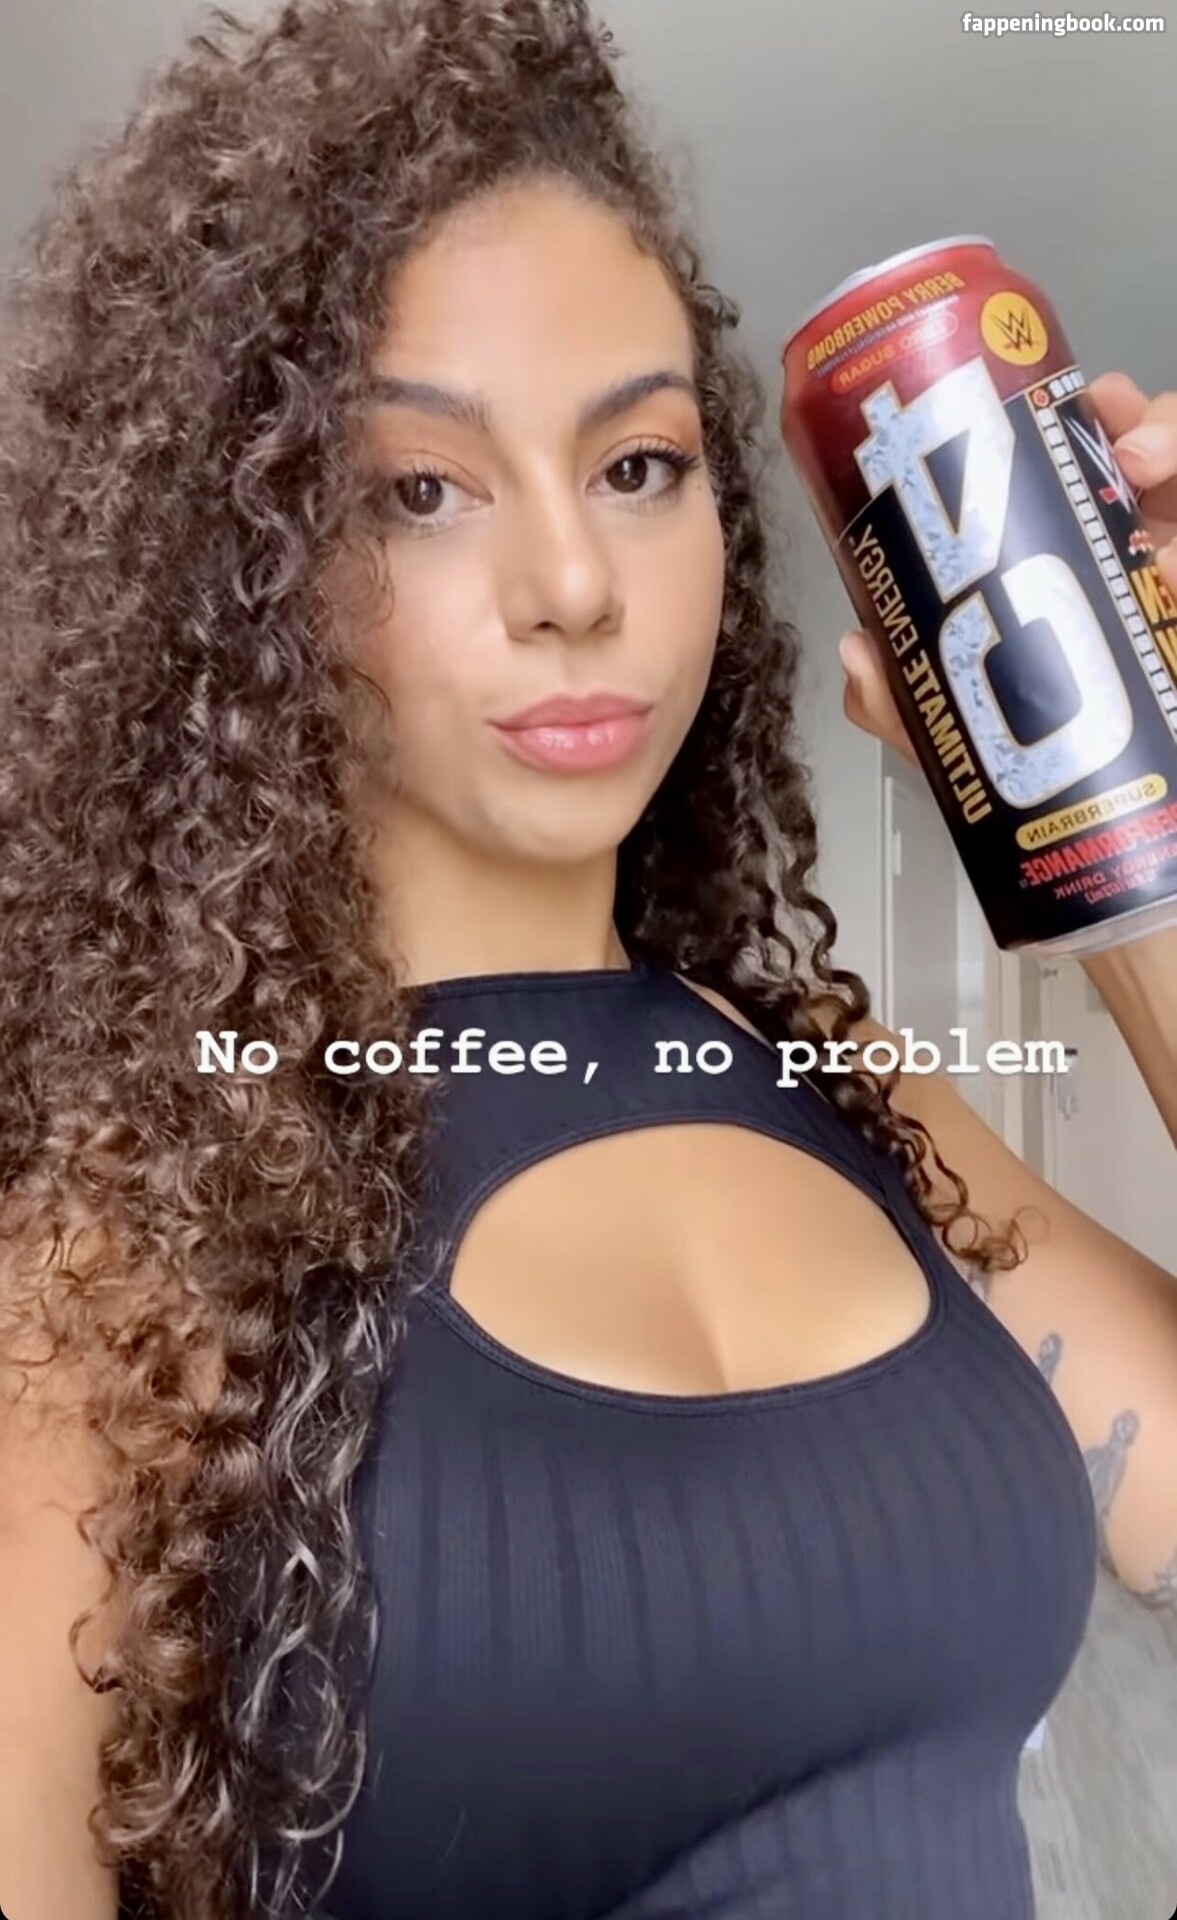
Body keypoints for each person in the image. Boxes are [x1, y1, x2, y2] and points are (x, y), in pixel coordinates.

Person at [1, 2, 1175, 1917]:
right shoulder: (113, 1266)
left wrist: (1126, 787)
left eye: (636, 464)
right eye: (421, 488)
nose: (573, 584)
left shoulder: (848, 1094)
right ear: (243, 572)